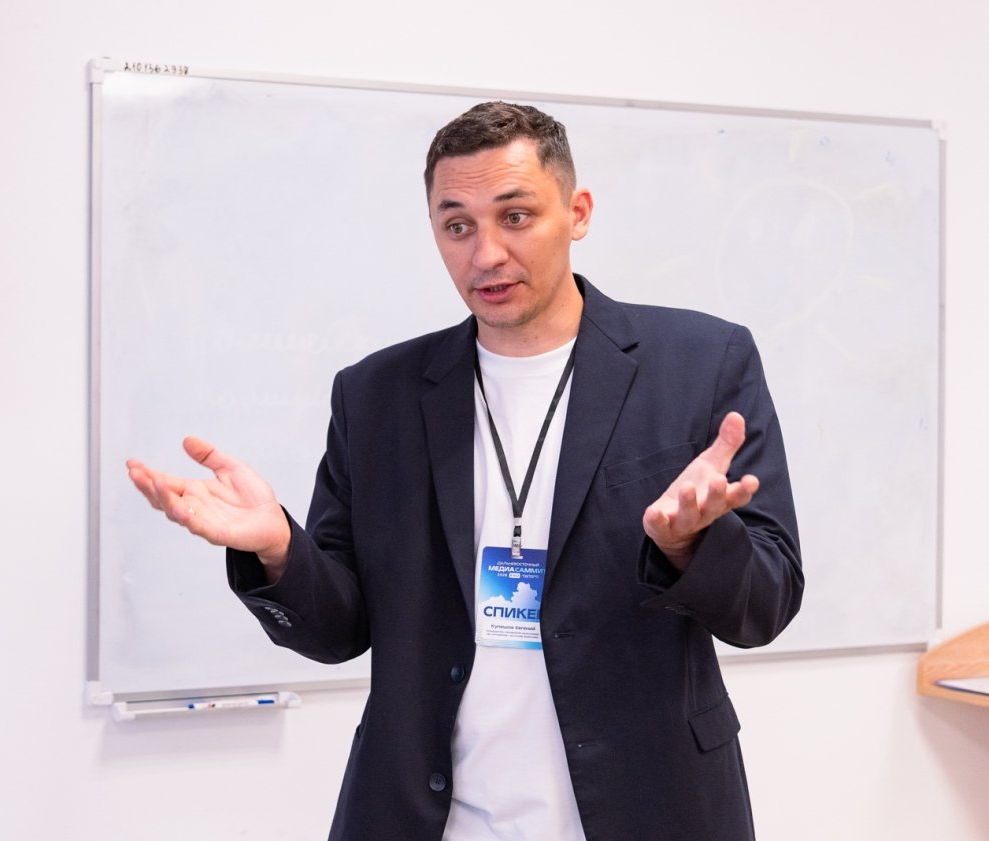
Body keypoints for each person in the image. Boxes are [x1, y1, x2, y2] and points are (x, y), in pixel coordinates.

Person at [127, 101, 802, 841]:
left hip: (647, 807)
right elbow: (338, 629)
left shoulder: (700, 363)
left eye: (515, 217)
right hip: (430, 819)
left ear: (577, 213)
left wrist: (690, 546)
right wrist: (280, 551)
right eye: (457, 226)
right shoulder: (376, 395)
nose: (485, 254)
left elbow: (767, 604)